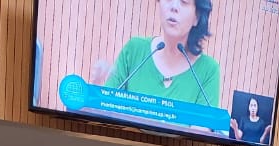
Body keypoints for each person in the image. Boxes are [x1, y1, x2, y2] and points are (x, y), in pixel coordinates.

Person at [90, 0, 220, 111]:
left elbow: (202, 131)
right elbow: (104, 110)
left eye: (184, 1)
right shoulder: (134, 50)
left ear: (197, 17)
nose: (174, 7)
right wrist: (96, 86)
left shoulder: (208, 71)